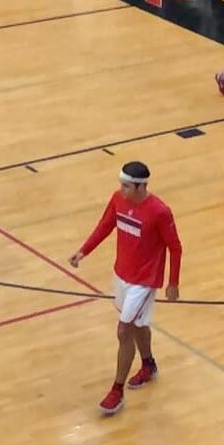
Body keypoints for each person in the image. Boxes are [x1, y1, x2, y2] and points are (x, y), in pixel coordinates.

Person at [69, 161, 182, 416]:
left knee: (124, 330)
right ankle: (149, 364)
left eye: (127, 186)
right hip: (121, 274)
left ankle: (116, 391)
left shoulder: (160, 212)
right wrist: (83, 251)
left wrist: (173, 282)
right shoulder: (118, 200)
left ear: (142, 187)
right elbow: (105, 226)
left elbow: (175, 247)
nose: (121, 190)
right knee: (139, 325)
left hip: (143, 282)